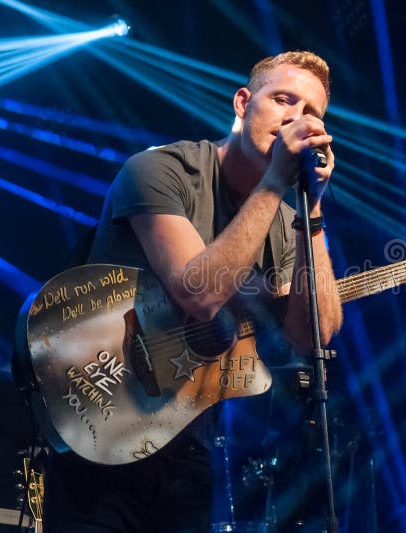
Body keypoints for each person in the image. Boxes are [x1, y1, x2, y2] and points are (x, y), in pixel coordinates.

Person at [43, 50, 343, 532]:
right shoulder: (161, 170)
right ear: (243, 103)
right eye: (284, 99)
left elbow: (313, 336)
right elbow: (198, 295)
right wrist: (275, 182)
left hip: (188, 445)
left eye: (312, 113)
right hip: (99, 424)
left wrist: (312, 210)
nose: (296, 119)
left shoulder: (290, 221)